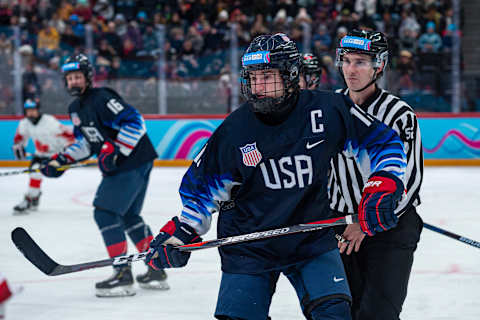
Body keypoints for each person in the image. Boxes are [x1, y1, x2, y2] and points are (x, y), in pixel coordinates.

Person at [145, 33, 408, 320]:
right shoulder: (235, 129)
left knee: (335, 315)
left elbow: (382, 144)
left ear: (290, 76)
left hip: (311, 238)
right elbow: (202, 190)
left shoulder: (328, 110)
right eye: (253, 77)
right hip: (249, 246)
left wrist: (383, 183)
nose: (258, 87)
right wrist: (182, 232)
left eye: (267, 76)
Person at [40, 53, 168, 297]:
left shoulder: (102, 98)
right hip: (131, 163)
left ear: (88, 77)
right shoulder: (75, 108)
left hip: (131, 162)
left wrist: (116, 151)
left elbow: (135, 122)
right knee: (129, 216)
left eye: (78, 77)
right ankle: (156, 267)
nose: (73, 82)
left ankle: (122, 274)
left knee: (105, 212)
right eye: (69, 78)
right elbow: (86, 144)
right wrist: (61, 160)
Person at [330, 29, 424, 319]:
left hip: (390, 229)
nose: (350, 69)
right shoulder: (328, 107)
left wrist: (364, 221)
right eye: (346, 61)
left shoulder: (399, 114)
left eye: (360, 62)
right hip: (340, 229)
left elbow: (407, 178)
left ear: (379, 65)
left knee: (377, 314)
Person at [12, 98, 74, 214]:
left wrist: (70, 150)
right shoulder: (24, 123)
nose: (30, 112)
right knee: (34, 173)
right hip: (40, 155)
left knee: (36, 173)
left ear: (37, 109)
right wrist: (18, 146)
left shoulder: (50, 122)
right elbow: (19, 138)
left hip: (55, 155)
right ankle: (32, 198)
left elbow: (69, 135)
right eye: (28, 110)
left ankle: (33, 197)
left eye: (33, 109)